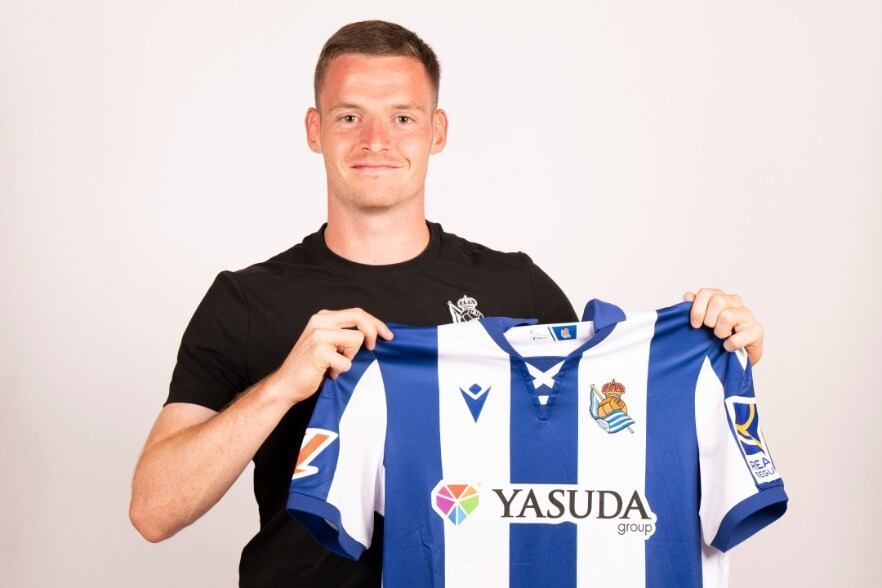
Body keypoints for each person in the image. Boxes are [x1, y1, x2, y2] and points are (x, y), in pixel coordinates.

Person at [128, 20, 765, 588]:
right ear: (314, 130)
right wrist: (281, 389)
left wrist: (719, 350)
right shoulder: (245, 300)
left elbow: (602, 435)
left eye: (402, 117)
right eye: (350, 116)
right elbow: (153, 511)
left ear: (436, 132)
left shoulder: (519, 288)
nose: (376, 139)